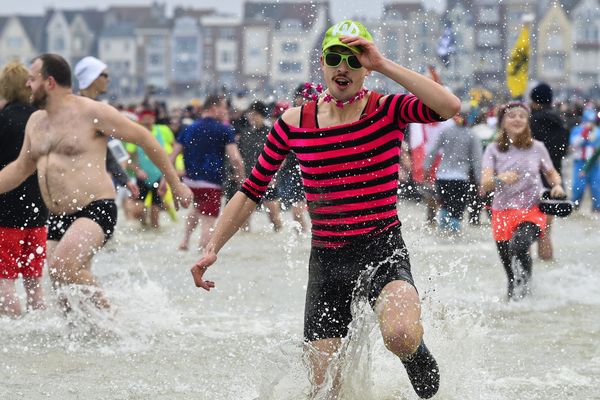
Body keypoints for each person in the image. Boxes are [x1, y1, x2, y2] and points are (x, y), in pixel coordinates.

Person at [190, 20, 460, 399]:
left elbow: (448, 107)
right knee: (323, 389)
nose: (343, 67)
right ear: (323, 64)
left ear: (366, 67)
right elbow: (252, 189)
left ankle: (413, 352)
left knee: (399, 335)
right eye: (335, 58)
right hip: (328, 261)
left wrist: (383, 63)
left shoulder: (387, 110)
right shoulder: (294, 123)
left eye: (354, 59)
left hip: (382, 249)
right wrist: (212, 246)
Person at [0, 54, 192, 311]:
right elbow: (19, 169)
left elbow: (144, 139)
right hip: (58, 215)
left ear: (50, 82)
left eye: (33, 79)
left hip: (95, 208)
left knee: (62, 267)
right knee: (63, 291)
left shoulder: (91, 112)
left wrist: (176, 184)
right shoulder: (36, 121)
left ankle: (114, 323)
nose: (27, 85)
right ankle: (86, 340)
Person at [481, 102, 565, 301]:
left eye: (522, 116)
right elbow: (485, 183)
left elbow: (552, 173)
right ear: (502, 122)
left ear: (527, 122)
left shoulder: (538, 148)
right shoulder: (493, 150)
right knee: (510, 274)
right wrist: (500, 178)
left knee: (519, 245)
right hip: (501, 213)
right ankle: (518, 306)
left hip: (532, 211)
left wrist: (557, 185)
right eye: (512, 116)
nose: (517, 119)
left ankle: (526, 290)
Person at [0, 62, 49, 317]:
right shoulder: (40, 118)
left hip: (5, 213)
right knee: (34, 284)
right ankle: (38, 328)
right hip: (39, 210)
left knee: (4, 281)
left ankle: (14, 332)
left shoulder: (3, 120)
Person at [172, 94, 245, 251]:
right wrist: (242, 180)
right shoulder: (224, 129)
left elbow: (172, 156)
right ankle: (202, 254)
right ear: (214, 108)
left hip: (189, 182)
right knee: (208, 221)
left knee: (197, 208)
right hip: (211, 183)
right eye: (224, 107)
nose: (226, 111)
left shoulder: (189, 128)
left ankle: (184, 241)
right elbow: (236, 159)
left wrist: (169, 181)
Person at [74, 56, 139, 200]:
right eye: (105, 75)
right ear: (93, 78)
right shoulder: (76, 108)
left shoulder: (98, 109)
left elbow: (106, 151)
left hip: (93, 185)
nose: (108, 79)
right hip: (77, 185)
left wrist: (124, 180)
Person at [529, 82, 569, 260]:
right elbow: (564, 150)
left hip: (533, 179)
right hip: (554, 179)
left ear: (534, 100)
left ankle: (525, 274)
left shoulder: (531, 120)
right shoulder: (561, 121)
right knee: (545, 230)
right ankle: (547, 266)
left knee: (525, 230)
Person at [424, 114, 482, 232]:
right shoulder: (473, 135)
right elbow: (477, 160)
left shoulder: (446, 132)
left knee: (444, 206)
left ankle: (442, 235)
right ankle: (454, 238)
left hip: (442, 176)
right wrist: (479, 181)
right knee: (457, 210)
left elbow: (432, 151)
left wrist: (426, 168)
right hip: (461, 178)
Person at [238, 101, 283, 231]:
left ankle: (278, 240)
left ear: (262, 115)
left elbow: (281, 156)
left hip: (268, 179)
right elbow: (240, 156)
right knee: (244, 220)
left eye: (255, 114)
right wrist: (238, 175)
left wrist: (274, 175)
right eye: (250, 114)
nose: (251, 117)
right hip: (249, 178)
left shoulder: (271, 132)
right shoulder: (245, 134)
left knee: (274, 217)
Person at [569, 108, 600, 212]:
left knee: (597, 189)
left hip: (595, 164)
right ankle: (575, 208)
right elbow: (574, 144)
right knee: (578, 188)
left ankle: (597, 210)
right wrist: (584, 133)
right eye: (588, 121)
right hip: (580, 163)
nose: (590, 124)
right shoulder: (577, 130)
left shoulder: (598, 131)